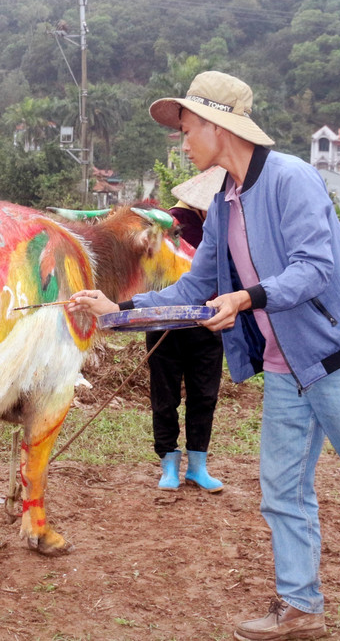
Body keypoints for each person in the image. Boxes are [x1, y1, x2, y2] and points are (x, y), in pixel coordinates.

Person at [67, 71, 340, 641]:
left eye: (187, 128)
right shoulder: (225, 202)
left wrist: (245, 297)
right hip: (288, 374)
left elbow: (315, 269)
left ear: (218, 126)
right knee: (283, 492)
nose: (183, 142)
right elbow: (194, 287)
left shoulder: (294, 179)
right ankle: (299, 608)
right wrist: (116, 309)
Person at [148, 187, 224, 493]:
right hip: (168, 320)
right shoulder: (165, 224)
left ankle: (196, 467)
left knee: (201, 395)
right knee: (172, 396)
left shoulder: (219, 226)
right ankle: (171, 466)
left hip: (207, 320)